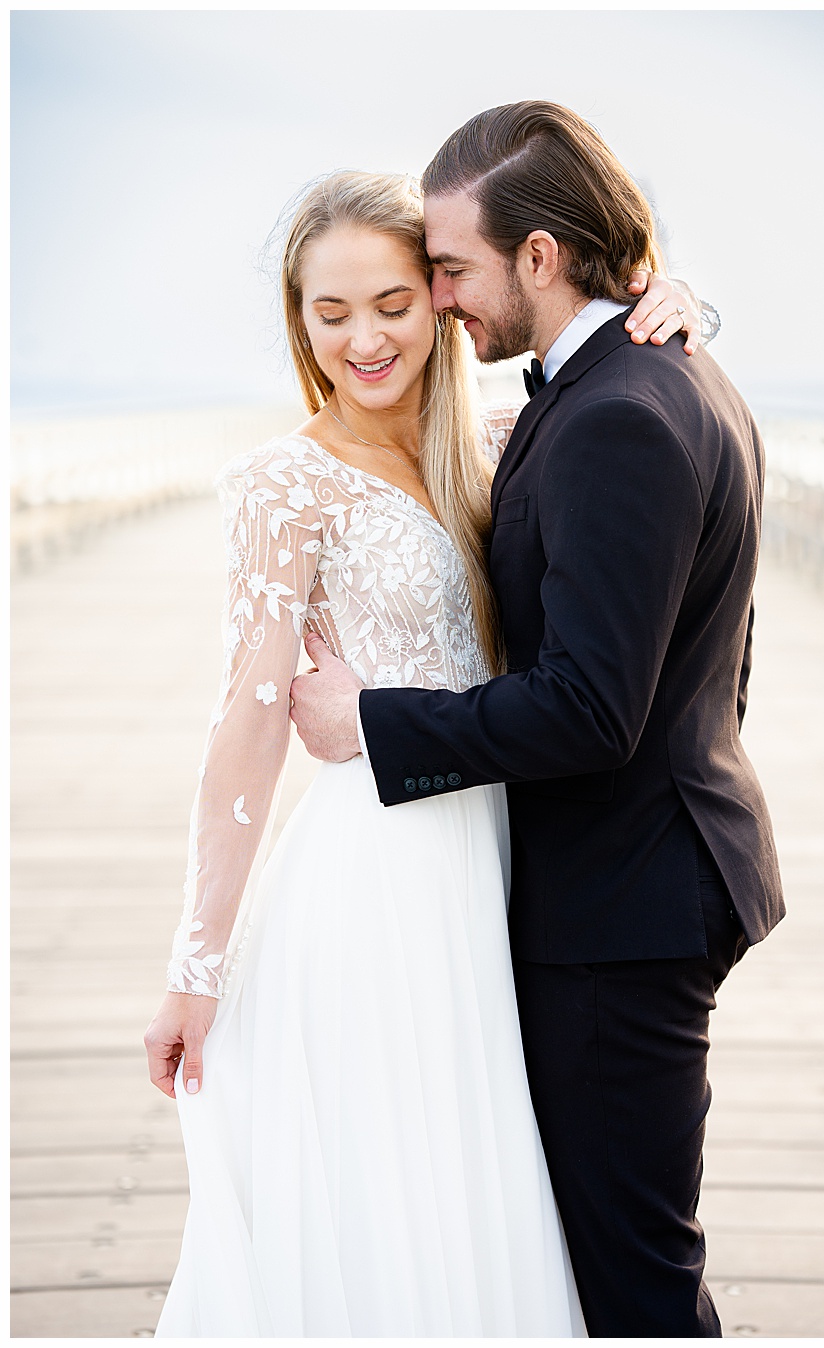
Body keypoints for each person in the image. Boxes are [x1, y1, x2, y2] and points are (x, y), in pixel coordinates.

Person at [142, 166, 713, 1335]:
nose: (363, 339)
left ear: (445, 297)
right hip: (376, 879)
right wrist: (194, 966)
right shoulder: (283, 484)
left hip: (505, 865)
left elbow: (617, 393)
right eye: (329, 311)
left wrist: (680, 300)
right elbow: (245, 734)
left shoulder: (505, 439)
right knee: (390, 1191)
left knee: (488, 1182)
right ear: (298, 322)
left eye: (394, 303)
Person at [286, 102, 784, 1338]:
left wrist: (373, 718)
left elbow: (592, 707)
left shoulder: (616, 414)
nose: (443, 298)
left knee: (634, 1282)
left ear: (542, 256)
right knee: (602, 1254)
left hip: (625, 906)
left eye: (450, 269)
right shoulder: (653, 370)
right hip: (642, 871)